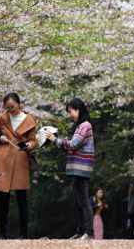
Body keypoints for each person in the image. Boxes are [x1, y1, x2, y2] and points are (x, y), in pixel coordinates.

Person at [0, 92, 38, 239]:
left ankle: (24, 234)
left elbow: (34, 141)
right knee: (3, 197)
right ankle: (3, 234)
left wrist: (29, 144)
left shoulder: (29, 119)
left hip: (21, 158)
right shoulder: (3, 117)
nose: (10, 110)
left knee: (22, 198)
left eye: (12, 107)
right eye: (7, 107)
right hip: (4, 159)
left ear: (19, 104)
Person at [46, 97, 95, 240]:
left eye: (71, 111)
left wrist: (55, 140)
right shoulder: (80, 126)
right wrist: (57, 141)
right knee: (78, 201)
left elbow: (73, 145)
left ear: (78, 109)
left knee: (84, 201)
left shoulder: (85, 125)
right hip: (77, 168)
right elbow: (70, 147)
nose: (70, 115)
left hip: (82, 168)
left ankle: (89, 232)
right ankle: (81, 231)